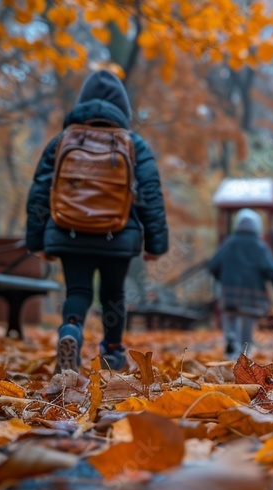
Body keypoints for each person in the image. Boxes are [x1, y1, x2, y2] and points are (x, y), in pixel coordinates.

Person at [26, 70, 168, 372]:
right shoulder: (133, 143)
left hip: (69, 230)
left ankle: (71, 331)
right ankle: (112, 351)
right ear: (124, 109)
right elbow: (150, 194)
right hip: (117, 233)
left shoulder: (63, 141)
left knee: (77, 291)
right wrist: (156, 244)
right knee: (113, 293)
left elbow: (40, 192)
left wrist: (37, 240)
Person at [208, 208, 273, 357]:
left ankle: (231, 339)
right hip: (252, 297)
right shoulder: (260, 246)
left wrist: (222, 278)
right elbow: (270, 270)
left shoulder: (228, 243)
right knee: (247, 326)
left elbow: (213, 266)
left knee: (230, 318)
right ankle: (245, 352)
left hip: (229, 295)